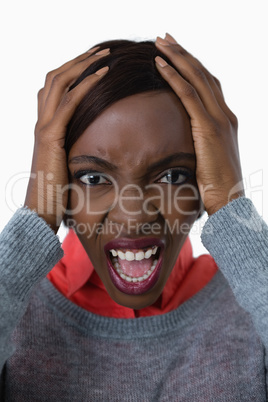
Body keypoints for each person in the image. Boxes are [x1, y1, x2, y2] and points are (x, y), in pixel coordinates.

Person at [0, 33, 268, 400]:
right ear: (60, 189)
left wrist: (232, 208)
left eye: (173, 176)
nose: (133, 217)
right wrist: (34, 219)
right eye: (93, 178)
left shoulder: (255, 303)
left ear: (206, 188)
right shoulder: (12, 308)